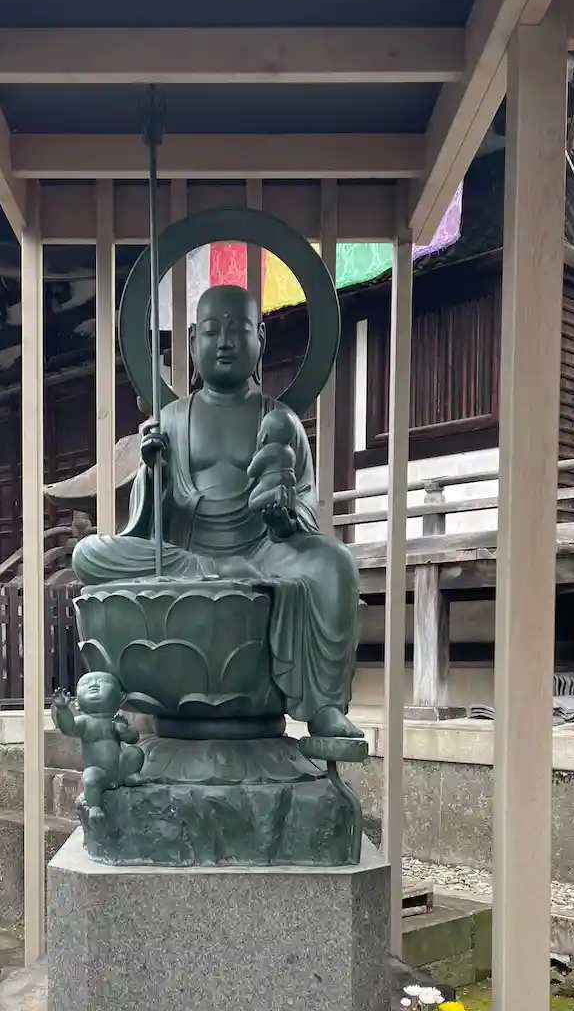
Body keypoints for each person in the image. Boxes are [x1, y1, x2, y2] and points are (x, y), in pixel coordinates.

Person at [72, 284, 361, 739]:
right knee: (88, 553)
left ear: (260, 339)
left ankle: (324, 705)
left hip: (263, 552)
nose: (224, 342)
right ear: (192, 341)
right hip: (188, 555)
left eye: (238, 330)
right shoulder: (170, 420)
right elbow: (147, 528)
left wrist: (286, 515)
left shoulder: (280, 419)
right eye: (211, 331)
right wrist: (154, 475)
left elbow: (304, 503)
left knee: (336, 564)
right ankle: (214, 577)